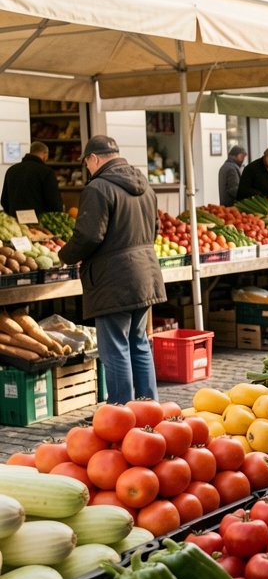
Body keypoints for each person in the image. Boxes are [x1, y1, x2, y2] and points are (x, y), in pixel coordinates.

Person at [58, 136, 164, 405]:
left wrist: (64, 256)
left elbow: (89, 236)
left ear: (93, 159)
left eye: (87, 164)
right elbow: (155, 230)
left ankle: (119, 412)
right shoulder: (145, 186)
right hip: (145, 275)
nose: (88, 169)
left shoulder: (98, 188)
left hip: (113, 280)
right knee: (139, 343)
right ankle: (147, 409)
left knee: (115, 348)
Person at [0, 141, 63, 218]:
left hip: (17, 221)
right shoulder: (46, 171)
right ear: (45, 155)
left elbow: (4, 200)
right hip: (39, 222)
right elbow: (54, 202)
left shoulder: (11, 171)